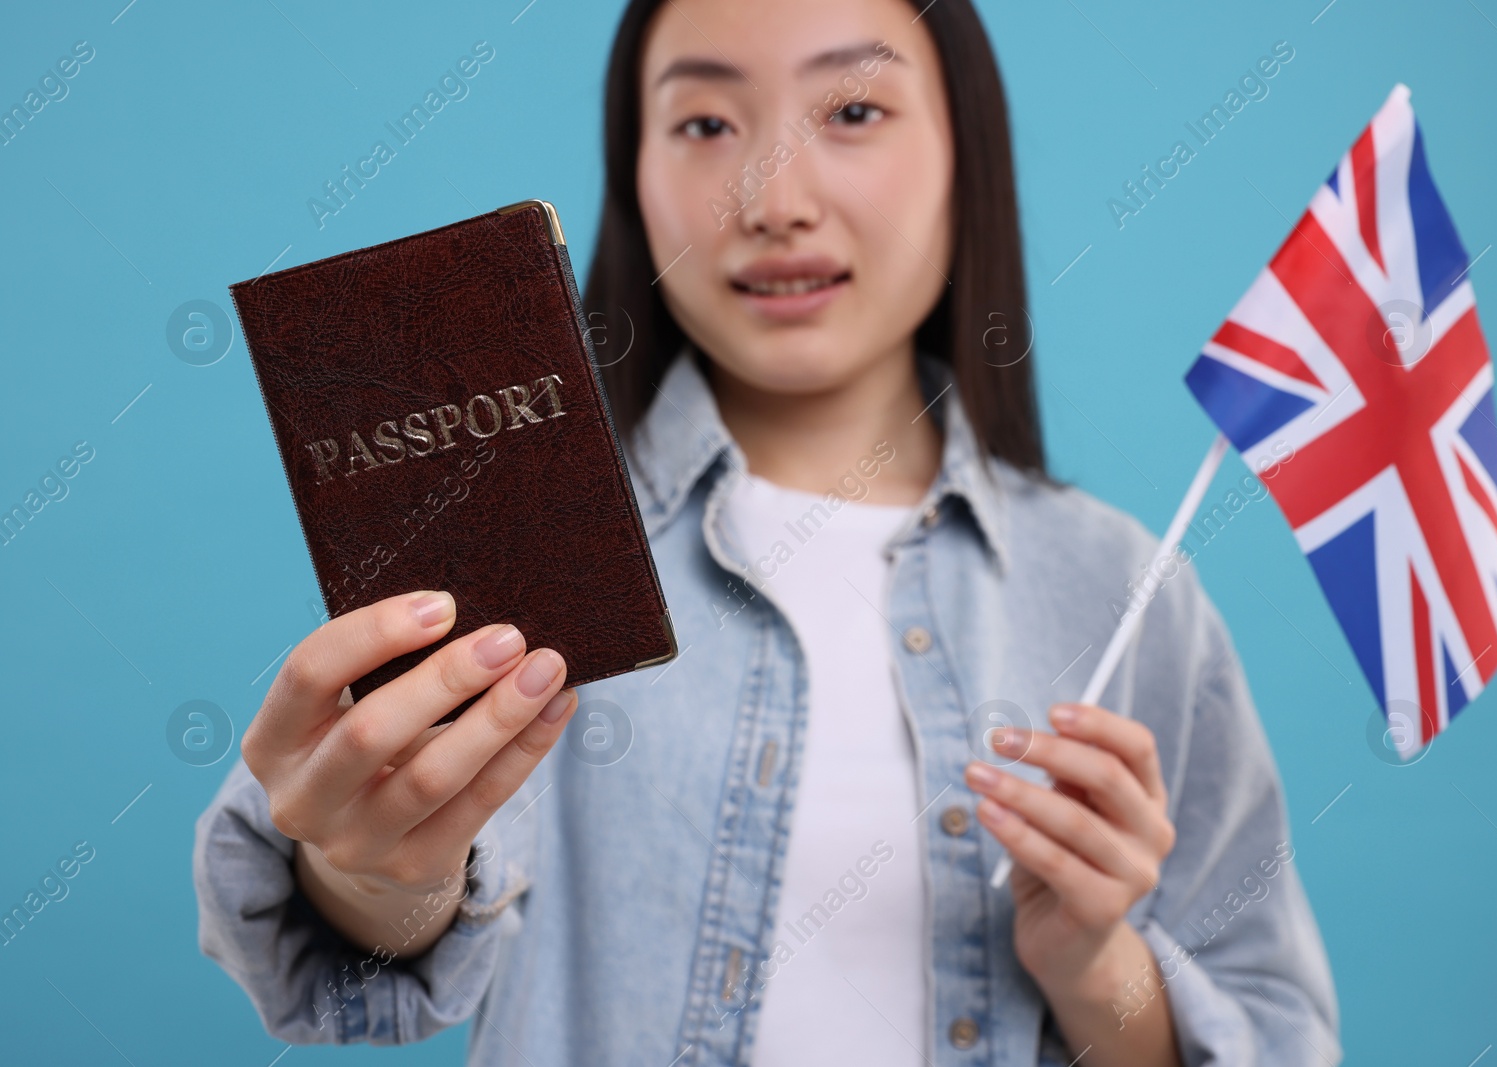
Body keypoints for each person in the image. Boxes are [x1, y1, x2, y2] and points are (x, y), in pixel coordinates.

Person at [193, 0, 1341, 1064]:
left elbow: (1274, 1029)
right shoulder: (519, 538)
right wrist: (374, 862)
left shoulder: (1124, 588)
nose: (773, 199)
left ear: (963, 154)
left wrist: (1096, 965)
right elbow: (365, 959)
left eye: (852, 111)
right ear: (630, 173)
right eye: (702, 120)